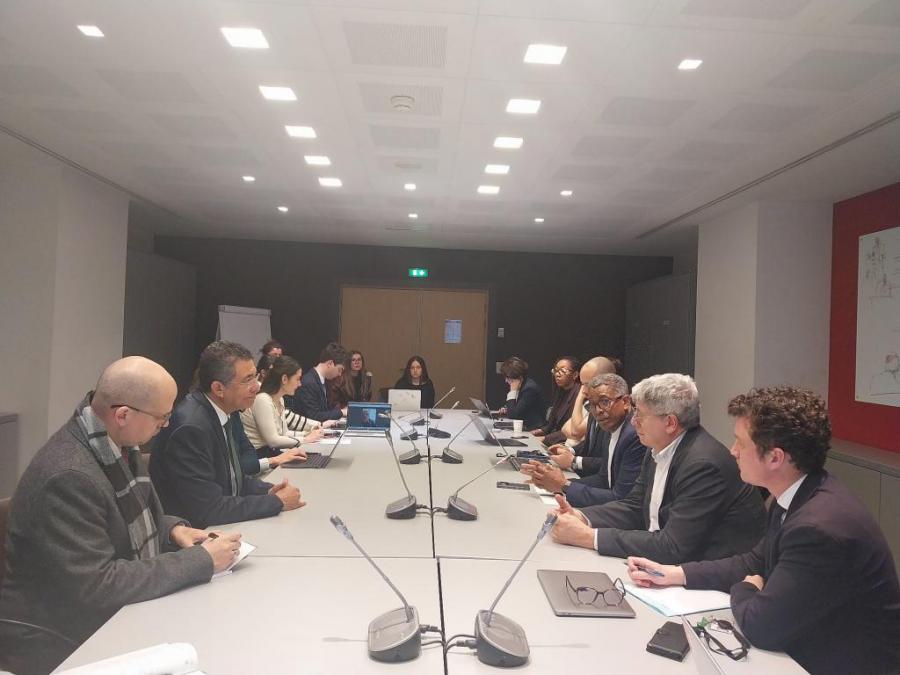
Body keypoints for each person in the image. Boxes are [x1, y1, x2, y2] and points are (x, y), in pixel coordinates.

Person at [627, 386, 900, 675]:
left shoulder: (818, 528)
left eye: (740, 443)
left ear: (774, 458)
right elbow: (754, 562)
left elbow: (761, 627)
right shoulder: (795, 494)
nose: (732, 451)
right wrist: (675, 574)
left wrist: (747, 588)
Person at [0, 357, 241, 675]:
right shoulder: (69, 476)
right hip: (58, 639)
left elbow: (118, 520)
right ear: (123, 415)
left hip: (98, 617)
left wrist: (172, 530)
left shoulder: (112, 442)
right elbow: (100, 585)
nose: (166, 424)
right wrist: (202, 560)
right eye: (162, 417)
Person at [551, 373, 766, 563]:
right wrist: (581, 516)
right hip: (668, 566)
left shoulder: (702, 465)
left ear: (670, 423)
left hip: (711, 580)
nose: (633, 421)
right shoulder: (658, 447)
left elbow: (673, 546)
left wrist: (589, 537)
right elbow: (635, 506)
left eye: (640, 415)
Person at [150, 341, 305, 528]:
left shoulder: (223, 411)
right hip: (196, 532)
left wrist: (270, 490)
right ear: (218, 389)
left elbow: (232, 480)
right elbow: (209, 509)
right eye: (247, 380)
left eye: (255, 376)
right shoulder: (192, 428)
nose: (257, 386)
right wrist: (277, 502)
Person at [522, 374, 646, 508]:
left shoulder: (634, 435)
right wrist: (554, 482)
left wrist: (564, 485)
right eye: (592, 404)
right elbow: (603, 479)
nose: (598, 410)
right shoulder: (612, 427)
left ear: (626, 402)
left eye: (605, 402)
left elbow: (621, 499)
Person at [242, 356, 334, 460]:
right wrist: (305, 439)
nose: (300, 384)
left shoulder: (279, 399)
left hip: (271, 453)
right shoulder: (262, 400)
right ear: (284, 379)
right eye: (298, 379)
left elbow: (284, 433)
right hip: (260, 457)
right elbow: (273, 441)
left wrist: (308, 434)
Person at [560, 356, 620, 443]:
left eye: (588, 385)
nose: (583, 390)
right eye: (582, 384)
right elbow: (565, 428)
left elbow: (575, 432)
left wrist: (580, 397)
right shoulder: (593, 404)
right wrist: (571, 450)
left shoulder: (612, 409)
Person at [291, 342, 348, 421]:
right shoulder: (309, 383)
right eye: (340, 369)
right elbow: (314, 416)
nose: (340, 374)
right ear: (330, 363)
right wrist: (341, 412)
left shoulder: (323, 381)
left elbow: (324, 411)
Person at [532, 356, 581, 446]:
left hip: (568, 443)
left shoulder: (579, 394)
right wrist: (541, 431)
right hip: (555, 439)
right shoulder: (561, 390)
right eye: (556, 370)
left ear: (575, 375)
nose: (557, 374)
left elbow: (572, 429)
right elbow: (553, 421)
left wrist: (545, 438)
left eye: (562, 371)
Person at [498, 356, 546, 431]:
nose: (506, 381)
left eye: (508, 378)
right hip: (523, 426)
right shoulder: (522, 385)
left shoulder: (529, 389)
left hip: (533, 429)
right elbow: (517, 409)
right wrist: (507, 409)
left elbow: (513, 415)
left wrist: (512, 391)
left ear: (519, 378)